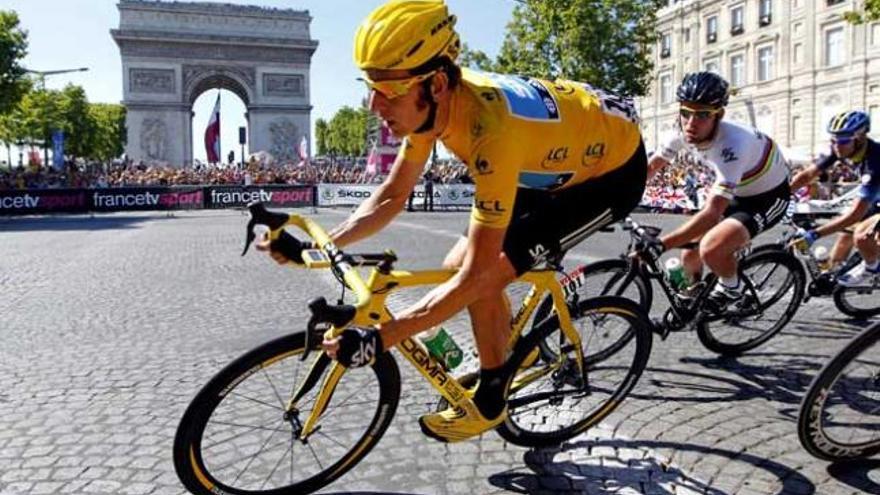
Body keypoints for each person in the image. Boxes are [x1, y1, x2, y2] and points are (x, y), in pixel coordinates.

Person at [258, 0, 647, 442]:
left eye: (389, 90)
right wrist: (315, 246)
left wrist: (382, 337)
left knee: (482, 274)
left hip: (609, 176)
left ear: (437, 83)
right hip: (545, 157)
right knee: (458, 263)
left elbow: (478, 275)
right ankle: (500, 351)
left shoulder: (489, 133)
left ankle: (493, 396)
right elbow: (391, 196)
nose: (373, 104)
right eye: (370, 86)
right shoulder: (430, 107)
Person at [648, 72, 791, 311]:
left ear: (719, 115)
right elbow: (652, 167)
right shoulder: (681, 134)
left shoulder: (734, 145)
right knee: (689, 252)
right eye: (685, 112)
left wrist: (660, 245)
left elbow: (713, 213)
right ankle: (692, 298)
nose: (691, 123)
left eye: (703, 114)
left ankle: (733, 288)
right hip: (737, 193)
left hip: (768, 198)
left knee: (711, 248)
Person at [789, 110, 880, 285]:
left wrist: (815, 234)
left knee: (862, 236)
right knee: (845, 233)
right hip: (876, 198)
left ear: (860, 138)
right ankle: (832, 277)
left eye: (843, 140)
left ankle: (872, 267)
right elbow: (807, 175)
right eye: (833, 140)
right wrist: (780, 194)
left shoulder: (875, 162)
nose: (837, 145)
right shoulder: (839, 150)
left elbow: (855, 214)